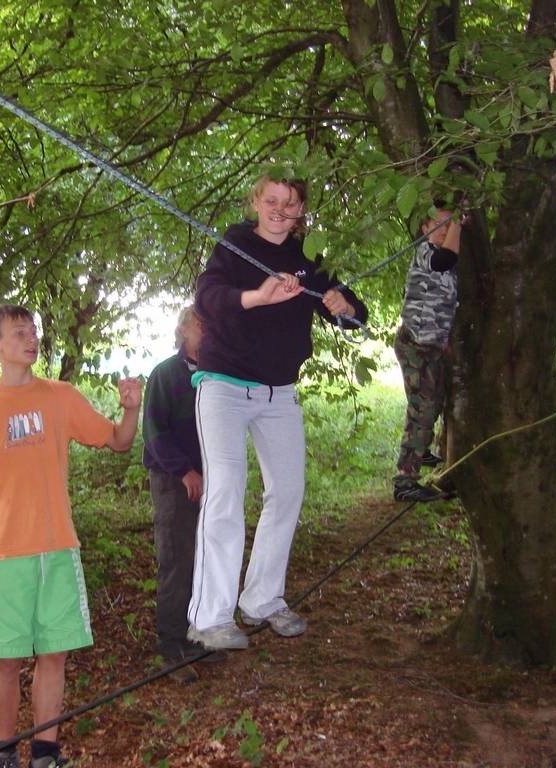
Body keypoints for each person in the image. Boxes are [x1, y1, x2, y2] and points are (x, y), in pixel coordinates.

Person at [0, 304, 142, 768]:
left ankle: (45, 752)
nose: (30, 338)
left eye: (33, 331)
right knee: (8, 660)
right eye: (19, 333)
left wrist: (132, 409)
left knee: (54, 655)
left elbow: (118, 441)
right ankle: (4, 755)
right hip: (2, 553)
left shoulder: (60, 396)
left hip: (57, 546)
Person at [187, 174, 368, 651]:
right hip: (224, 384)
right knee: (225, 491)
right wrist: (257, 297)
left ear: (302, 209)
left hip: (279, 391)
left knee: (287, 491)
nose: (280, 210)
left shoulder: (308, 256)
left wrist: (341, 304)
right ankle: (210, 618)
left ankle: (262, 600)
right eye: (272, 201)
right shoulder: (234, 242)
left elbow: (355, 313)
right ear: (256, 202)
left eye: (291, 204)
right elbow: (207, 297)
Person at [142, 305, 226, 682]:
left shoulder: (216, 374)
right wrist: (185, 471)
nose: (207, 330)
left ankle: (194, 637)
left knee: (204, 559)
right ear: (183, 330)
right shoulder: (164, 374)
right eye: (200, 323)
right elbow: (154, 434)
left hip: (211, 480)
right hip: (174, 480)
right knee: (176, 559)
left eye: (211, 324)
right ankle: (170, 646)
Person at [392, 203, 462, 503]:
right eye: (440, 224)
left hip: (430, 345)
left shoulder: (444, 263)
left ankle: (419, 453)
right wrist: (460, 221)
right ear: (424, 228)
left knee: (432, 403)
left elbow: (441, 302)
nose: (445, 230)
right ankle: (405, 480)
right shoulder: (427, 252)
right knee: (422, 408)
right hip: (415, 345)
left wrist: (443, 336)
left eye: (450, 225)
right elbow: (446, 258)